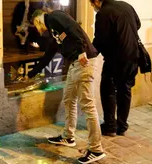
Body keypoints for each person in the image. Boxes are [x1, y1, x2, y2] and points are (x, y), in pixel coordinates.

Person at [30, 9, 106, 164]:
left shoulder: (54, 16)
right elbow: (49, 54)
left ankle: (96, 149)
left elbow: (74, 28)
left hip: (83, 61)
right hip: (74, 65)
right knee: (69, 99)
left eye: (35, 26)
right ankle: (68, 137)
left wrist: (81, 51)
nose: (38, 30)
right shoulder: (53, 31)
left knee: (87, 105)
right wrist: (33, 72)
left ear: (37, 20)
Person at [89, 0, 141, 136]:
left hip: (115, 58)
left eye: (92, 5)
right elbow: (138, 24)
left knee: (107, 89)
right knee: (125, 90)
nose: (94, 8)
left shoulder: (103, 13)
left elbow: (100, 39)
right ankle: (122, 126)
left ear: (97, 1)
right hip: (133, 55)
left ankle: (110, 126)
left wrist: (90, 54)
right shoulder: (126, 5)